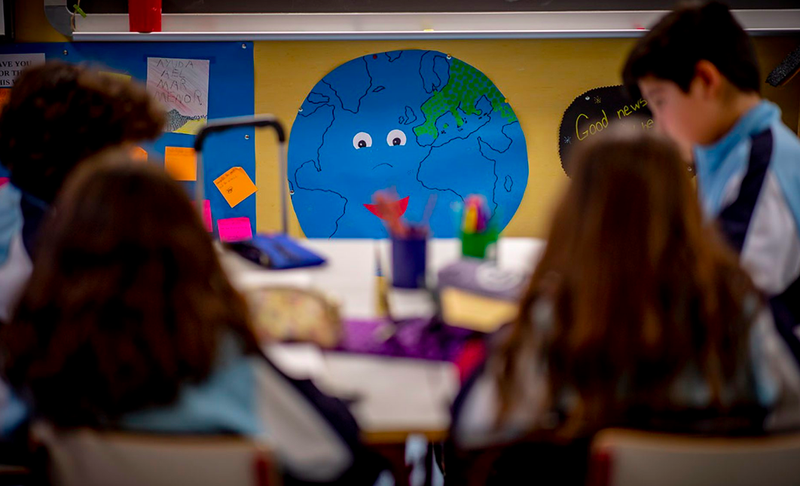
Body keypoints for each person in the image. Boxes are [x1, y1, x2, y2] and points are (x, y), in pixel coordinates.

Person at [0, 154, 384, 485]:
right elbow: (339, 458)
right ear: (191, 250)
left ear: (57, 253)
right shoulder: (224, 359)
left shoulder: (37, 368)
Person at [449, 129, 800, 485]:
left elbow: (473, 424)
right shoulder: (744, 311)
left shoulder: (556, 319)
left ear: (575, 210)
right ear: (687, 204)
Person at [622, 1, 800, 362]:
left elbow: (725, 314)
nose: (658, 124)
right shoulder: (721, 149)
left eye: (660, 102)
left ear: (705, 81)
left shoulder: (759, 172)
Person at [0, 61, 165, 323]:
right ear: (79, 155)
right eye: (116, 151)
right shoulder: (27, 239)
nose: (126, 162)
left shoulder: (54, 212)